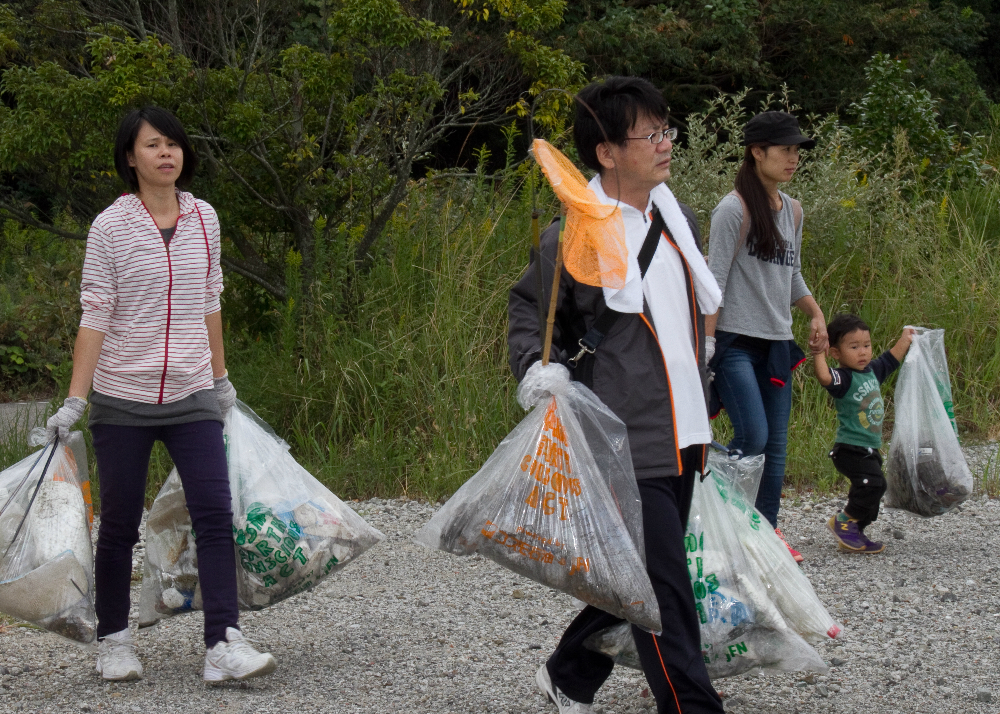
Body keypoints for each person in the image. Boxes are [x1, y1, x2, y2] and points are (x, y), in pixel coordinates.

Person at [509, 77, 725, 714]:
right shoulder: (574, 234)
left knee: (642, 573)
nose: (666, 144)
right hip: (624, 436)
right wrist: (538, 370)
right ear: (607, 152)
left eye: (666, 130)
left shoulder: (674, 218)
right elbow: (529, 311)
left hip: (685, 429)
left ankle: (570, 673)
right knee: (663, 592)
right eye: (650, 134)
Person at [43, 106, 277, 683]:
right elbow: (95, 313)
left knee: (215, 514)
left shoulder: (204, 217)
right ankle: (114, 641)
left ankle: (223, 643)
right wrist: (75, 400)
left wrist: (220, 380)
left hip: (192, 392)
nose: (165, 153)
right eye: (152, 145)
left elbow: (210, 300)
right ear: (131, 157)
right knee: (120, 523)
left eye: (173, 144)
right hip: (122, 397)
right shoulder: (110, 227)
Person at [705, 111, 828, 563]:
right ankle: (723, 518)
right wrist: (707, 346)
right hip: (735, 342)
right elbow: (713, 282)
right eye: (785, 150)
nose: (793, 158)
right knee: (753, 435)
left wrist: (815, 313)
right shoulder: (732, 209)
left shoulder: (792, 210)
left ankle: (765, 533)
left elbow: (791, 274)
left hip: (777, 340)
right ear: (757, 152)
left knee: (775, 446)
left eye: (797, 151)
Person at [813, 314, 914, 553]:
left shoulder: (872, 371)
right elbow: (824, 376)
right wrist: (818, 352)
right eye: (854, 347)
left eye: (866, 346)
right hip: (850, 448)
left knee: (877, 486)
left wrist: (906, 338)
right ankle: (843, 521)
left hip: (870, 448)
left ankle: (855, 532)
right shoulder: (844, 378)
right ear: (836, 353)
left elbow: (891, 359)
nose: (863, 353)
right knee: (871, 484)